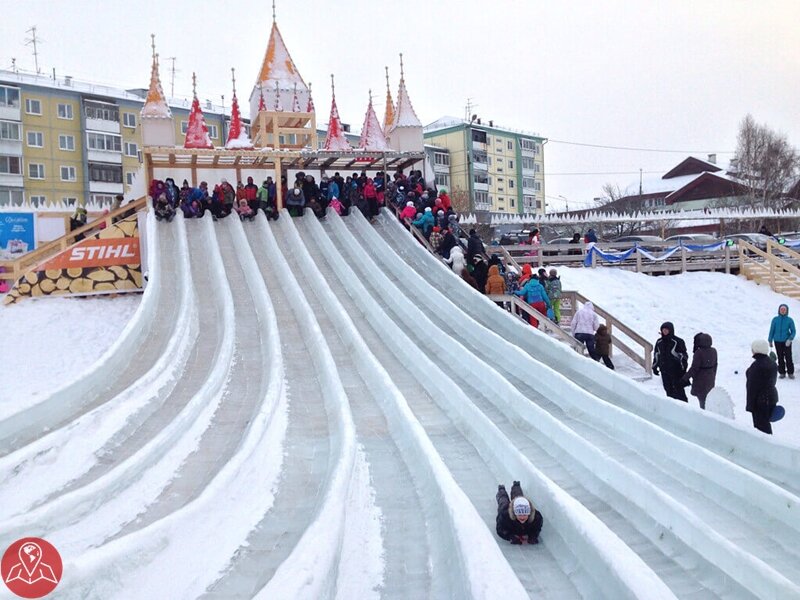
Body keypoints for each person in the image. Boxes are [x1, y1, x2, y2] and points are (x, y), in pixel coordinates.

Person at [746, 339, 779, 434]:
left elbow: (752, 388)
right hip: (771, 397)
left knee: (761, 427)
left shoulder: (756, 366)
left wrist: (750, 406)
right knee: (766, 424)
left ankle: (766, 446)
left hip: (760, 401)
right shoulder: (771, 363)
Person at [653, 322, 689, 401]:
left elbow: (684, 356)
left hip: (676, 371)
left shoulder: (678, 341)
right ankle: (671, 407)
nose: (665, 331)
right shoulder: (659, 342)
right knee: (668, 390)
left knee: (679, 391)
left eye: (666, 330)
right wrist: (655, 366)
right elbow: (656, 354)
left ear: (671, 330)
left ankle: (684, 408)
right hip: (664, 370)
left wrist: (683, 368)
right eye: (663, 330)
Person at [680, 333, 717, 409]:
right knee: (708, 399)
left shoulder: (699, 353)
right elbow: (715, 365)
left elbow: (694, 368)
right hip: (710, 379)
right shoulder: (714, 351)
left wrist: (684, 378)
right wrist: (712, 375)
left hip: (700, 380)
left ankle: (705, 417)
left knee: (702, 402)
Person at [768, 304, 795, 379]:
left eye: (784, 309)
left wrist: (790, 339)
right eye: (781, 309)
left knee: (788, 357)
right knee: (780, 357)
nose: (783, 311)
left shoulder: (789, 320)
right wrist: (770, 340)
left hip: (787, 341)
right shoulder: (775, 319)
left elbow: (793, 331)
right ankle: (782, 372)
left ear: (787, 311)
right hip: (777, 341)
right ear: (779, 310)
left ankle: (790, 372)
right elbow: (772, 331)